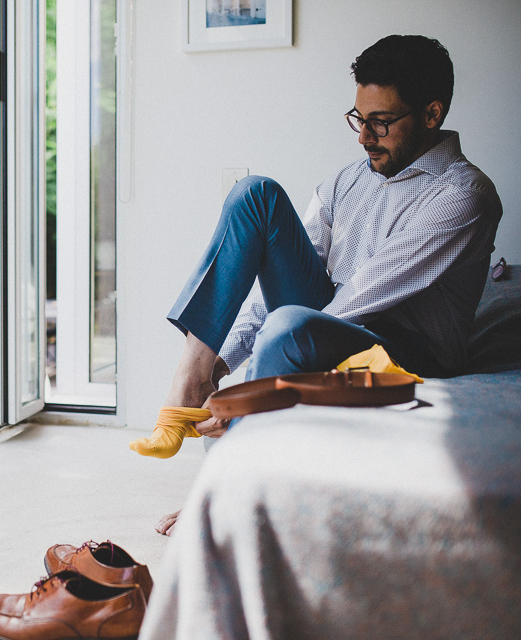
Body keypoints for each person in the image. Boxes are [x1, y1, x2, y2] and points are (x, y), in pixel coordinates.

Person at [135, 34, 502, 536]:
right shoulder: (345, 181)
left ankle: (227, 489)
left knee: (288, 325)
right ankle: (192, 378)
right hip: (326, 320)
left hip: (407, 352)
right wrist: (225, 363)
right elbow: (283, 286)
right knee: (254, 194)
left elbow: (365, 296)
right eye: (358, 118)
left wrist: (243, 396)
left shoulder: (464, 193)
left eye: (381, 122)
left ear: (432, 114)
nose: (364, 136)